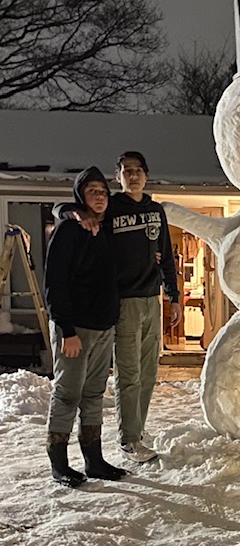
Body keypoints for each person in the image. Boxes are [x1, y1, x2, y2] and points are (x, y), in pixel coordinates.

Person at [54, 151, 181, 463]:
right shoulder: (110, 208)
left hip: (152, 300)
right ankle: (128, 440)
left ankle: (137, 428)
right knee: (129, 374)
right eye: (127, 171)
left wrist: (174, 295)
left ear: (146, 175)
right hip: (122, 301)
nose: (133, 176)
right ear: (119, 177)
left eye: (138, 170)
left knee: (150, 372)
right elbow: (66, 207)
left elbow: (165, 255)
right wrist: (72, 213)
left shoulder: (155, 210)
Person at [44, 167, 126, 487]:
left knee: (93, 394)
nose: (99, 196)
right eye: (91, 191)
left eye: (103, 191)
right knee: (67, 394)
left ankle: (94, 459)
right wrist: (66, 329)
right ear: (80, 196)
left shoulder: (107, 227)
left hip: (103, 325)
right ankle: (59, 463)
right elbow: (54, 282)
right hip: (76, 328)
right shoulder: (69, 229)